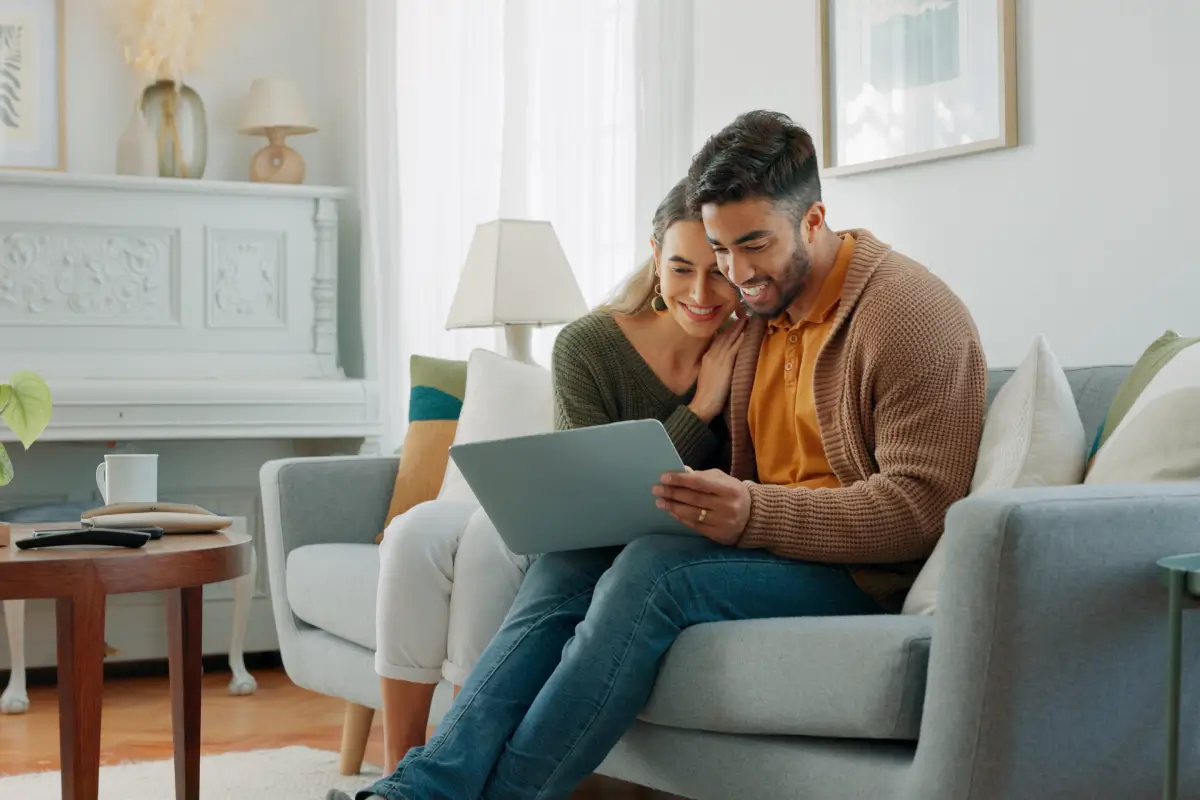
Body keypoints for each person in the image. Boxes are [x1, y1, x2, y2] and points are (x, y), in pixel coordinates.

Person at [333, 110, 987, 800]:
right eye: (719, 248)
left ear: (815, 219)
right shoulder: (760, 310)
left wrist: (752, 512)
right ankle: (421, 788)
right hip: (771, 547)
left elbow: (921, 510)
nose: (735, 274)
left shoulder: (908, 315)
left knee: (655, 571)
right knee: (572, 557)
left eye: (753, 246)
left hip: (860, 571)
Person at [365, 177, 745, 775]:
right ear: (654, 258)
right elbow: (588, 494)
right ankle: (400, 768)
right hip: (576, 523)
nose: (701, 292)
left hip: (645, 541)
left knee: (492, 542)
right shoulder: (590, 344)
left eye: (718, 271)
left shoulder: (749, 349)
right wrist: (699, 411)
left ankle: (461, 767)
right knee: (415, 533)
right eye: (680, 269)